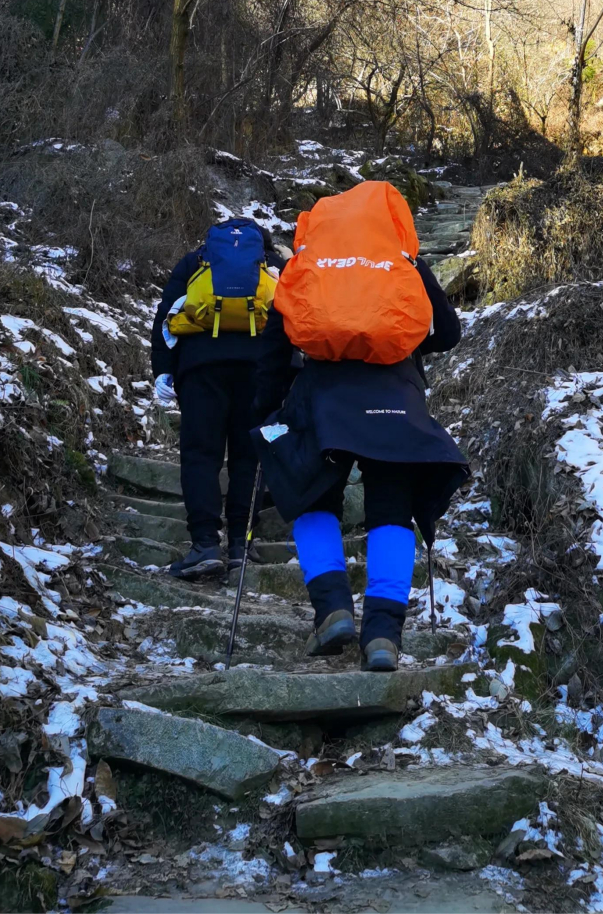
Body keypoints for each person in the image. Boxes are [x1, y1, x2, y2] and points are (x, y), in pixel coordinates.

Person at [251, 184, 466, 672]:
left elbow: (273, 351)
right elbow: (449, 332)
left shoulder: (305, 264)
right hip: (394, 396)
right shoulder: (403, 262)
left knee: (312, 495)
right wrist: (400, 345)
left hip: (323, 396)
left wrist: (263, 415)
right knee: (391, 507)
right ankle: (383, 636)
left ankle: (332, 610)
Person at [151, 223, 283, 580]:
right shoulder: (272, 266)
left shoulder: (196, 261)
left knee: (201, 454)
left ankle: (205, 544)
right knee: (249, 456)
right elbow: (292, 318)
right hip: (259, 370)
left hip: (201, 367)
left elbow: (166, 313)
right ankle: (241, 544)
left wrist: (163, 370)